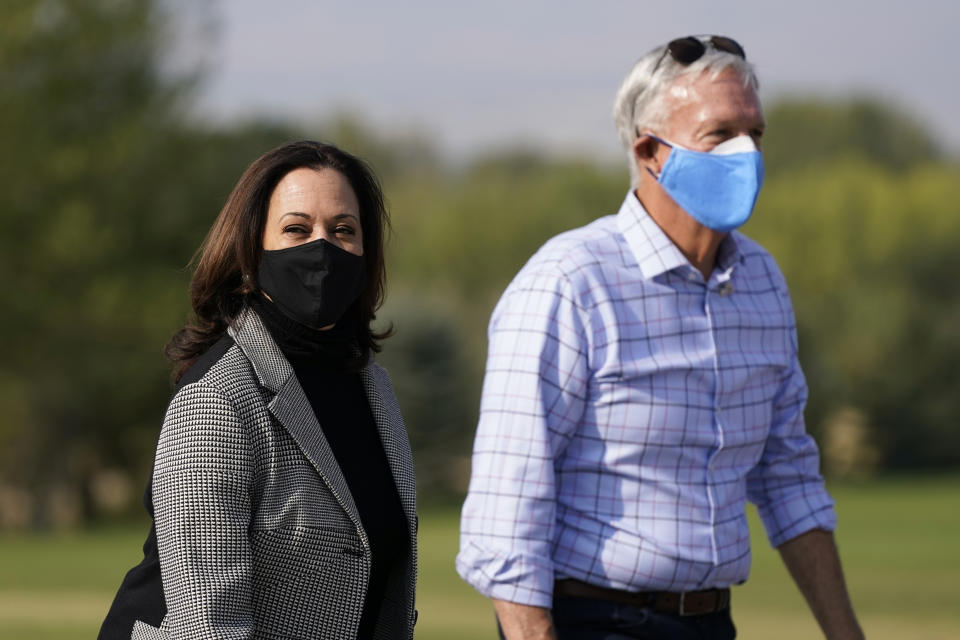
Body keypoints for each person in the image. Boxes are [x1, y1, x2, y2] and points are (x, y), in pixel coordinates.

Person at [457, 36, 864, 640]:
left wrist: (845, 632)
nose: (745, 152)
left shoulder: (762, 283)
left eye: (755, 133)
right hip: (592, 620)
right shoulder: (570, 283)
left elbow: (787, 478)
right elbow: (507, 508)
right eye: (720, 134)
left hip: (712, 619)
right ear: (649, 151)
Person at [99, 141, 417, 640]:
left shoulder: (372, 387)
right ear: (251, 250)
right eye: (296, 228)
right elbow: (209, 623)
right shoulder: (218, 400)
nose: (323, 248)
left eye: (343, 230)